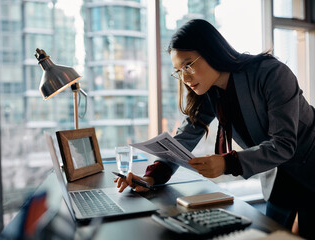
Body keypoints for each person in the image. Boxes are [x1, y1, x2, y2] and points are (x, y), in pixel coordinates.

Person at [114, 19, 315, 239]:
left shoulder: (272, 73)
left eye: (188, 65)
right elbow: (183, 140)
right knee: (273, 235)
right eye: (178, 71)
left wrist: (227, 163)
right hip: (278, 177)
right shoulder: (209, 91)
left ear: (211, 52)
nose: (184, 77)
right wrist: (150, 178)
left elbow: (284, 144)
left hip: (311, 163)